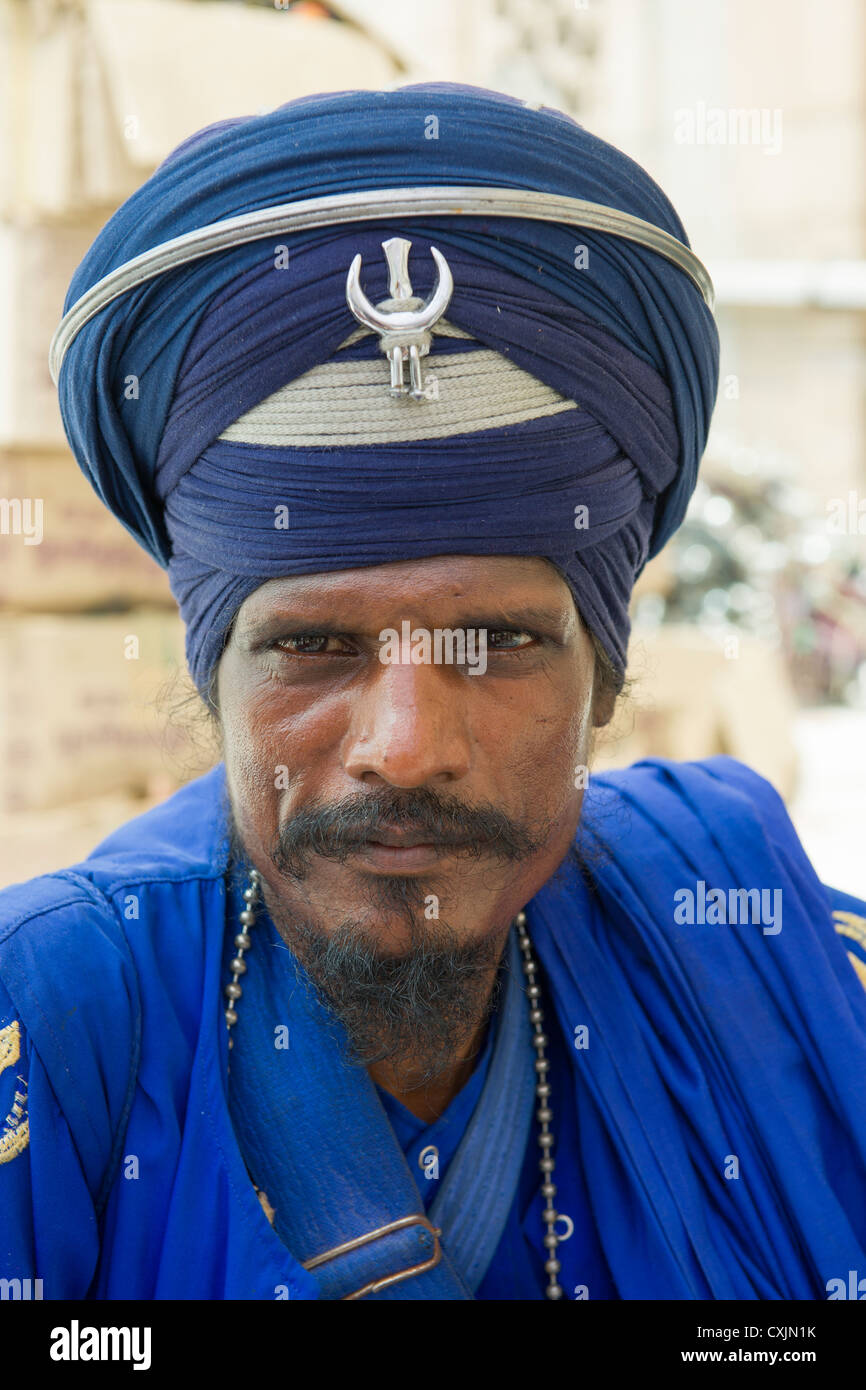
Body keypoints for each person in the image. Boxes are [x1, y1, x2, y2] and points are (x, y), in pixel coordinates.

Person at [2, 83, 865, 1302]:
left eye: (497, 643)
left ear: (604, 682)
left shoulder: (778, 966)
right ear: (214, 683)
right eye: (313, 649)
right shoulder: (55, 1025)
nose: (404, 749)